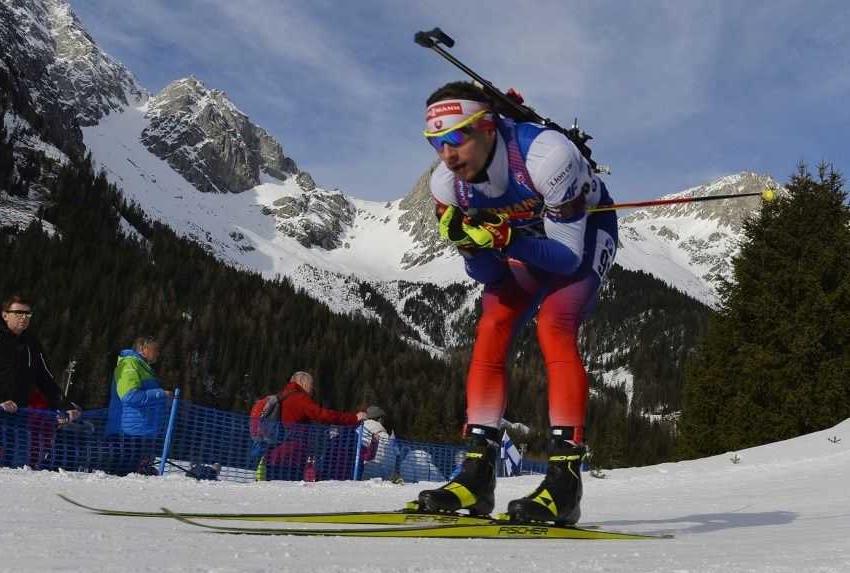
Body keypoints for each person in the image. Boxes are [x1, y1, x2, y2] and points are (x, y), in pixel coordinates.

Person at [413, 82, 618, 525]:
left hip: (584, 235)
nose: (446, 154)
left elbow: (565, 260)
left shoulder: (548, 157)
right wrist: (472, 248)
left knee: (554, 325)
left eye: (455, 139)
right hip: (528, 238)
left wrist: (504, 236)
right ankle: (476, 472)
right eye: (435, 143)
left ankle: (565, 480)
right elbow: (489, 277)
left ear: (488, 127)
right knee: (492, 325)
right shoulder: (448, 186)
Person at [0, 295, 81, 467]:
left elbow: (45, 378)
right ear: (5, 314)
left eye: (27, 314)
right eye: (18, 313)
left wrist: (65, 405)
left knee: (14, 467)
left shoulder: (31, 343)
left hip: (18, 416)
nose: (24, 317)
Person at [260, 371, 366, 481]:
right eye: (311, 384)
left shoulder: (282, 395)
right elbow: (322, 415)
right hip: (292, 456)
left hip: (273, 453)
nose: (312, 389)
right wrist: (353, 418)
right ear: (302, 382)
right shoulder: (300, 398)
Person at [105, 336, 172, 475]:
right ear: (142, 348)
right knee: (123, 477)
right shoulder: (129, 365)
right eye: (155, 349)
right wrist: (160, 394)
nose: (158, 353)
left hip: (140, 432)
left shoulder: (144, 368)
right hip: (126, 433)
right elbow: (129, 395)